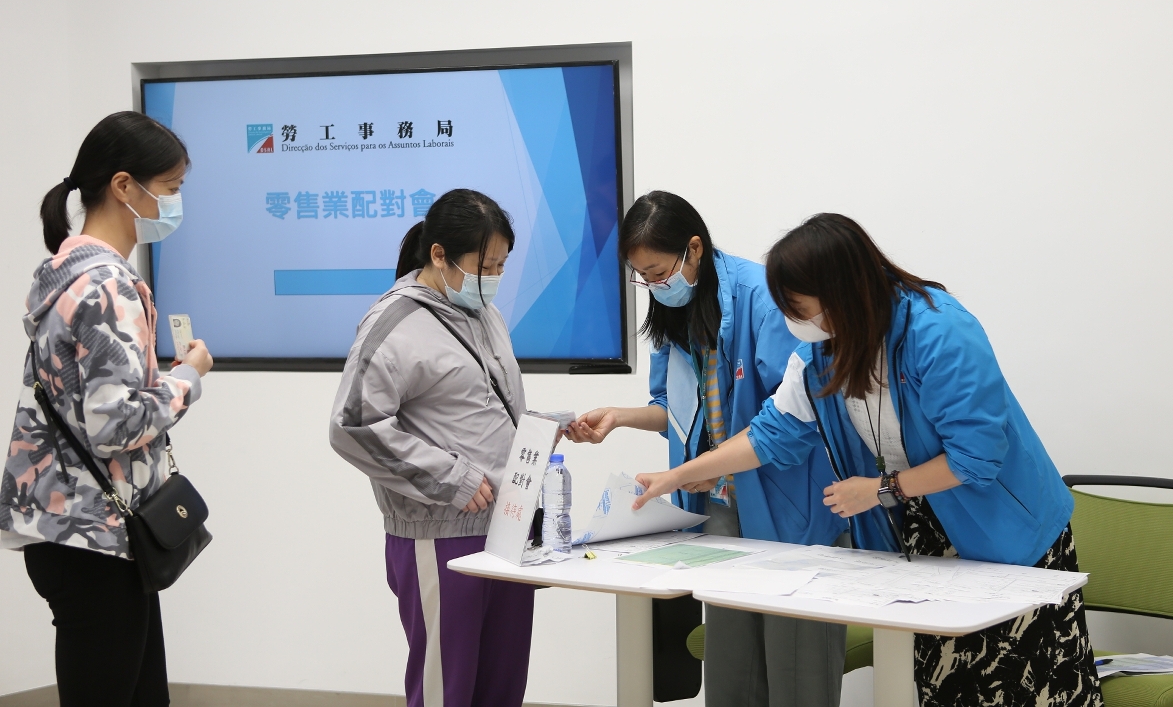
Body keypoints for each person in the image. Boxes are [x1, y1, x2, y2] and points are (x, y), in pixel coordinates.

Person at [633, 213, 1104, 707]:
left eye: (799, 308)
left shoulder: (938, 331)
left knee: (1031, 689)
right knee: (947, 686)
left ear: (841, 293)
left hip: (1009, 535)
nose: (793, 322)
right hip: (922, 535)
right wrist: (677, 476)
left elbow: (977, 458)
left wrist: (881, 490)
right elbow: (770, 434)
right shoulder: (822, 353)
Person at [567, 191, 847, 707]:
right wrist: (620, 417)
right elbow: (675, 412)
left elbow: (789, 423)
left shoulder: (761, 298)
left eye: (657, 272)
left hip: (790, 508)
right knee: (731, 673)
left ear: (693, 249)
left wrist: (690, 470)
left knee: (797, 675)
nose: (654, 286)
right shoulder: (674, 311)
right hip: (719, 508)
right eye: (642, 277)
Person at [0, 112, 214, 707]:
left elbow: (92, 408)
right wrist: (188, 380)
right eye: (169, 188)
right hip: (94, 538)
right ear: (124, 186)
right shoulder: (107, 286)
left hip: (75, 530)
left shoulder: (66, 276)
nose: (174, 203)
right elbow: (115, 425)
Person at [330, 189, 534, 707]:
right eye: (485, 266)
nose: (494, 277)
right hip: (440, 534)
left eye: (501, 266)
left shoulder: (484, 313)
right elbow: (351, 426)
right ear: (439, 255)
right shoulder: (394, 322)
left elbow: (481, 408)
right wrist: (450, 477)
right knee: (447, 691)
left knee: (503, 687)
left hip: (504, 528)